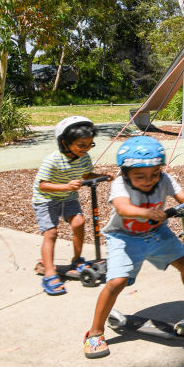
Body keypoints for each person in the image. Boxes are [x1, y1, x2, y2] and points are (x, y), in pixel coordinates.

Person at [83, 135, 184, 359]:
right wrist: (145, 212)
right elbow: (122, 208)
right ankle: (94, 333)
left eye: (154, 174)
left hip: (156, 232)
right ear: (125, 172)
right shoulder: (120, 184)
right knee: (117, 282)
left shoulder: (165, 179)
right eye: (139, 176)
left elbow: (183, 197)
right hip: (124, 237)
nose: (148, 180)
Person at [33, 116, 107, 295]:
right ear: (64, 142)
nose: (86, 149)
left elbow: (86, 175)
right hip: (46, 199)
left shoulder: (84, 158)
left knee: (79, 223)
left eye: (90, 144)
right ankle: (49, 272)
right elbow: (42, 184)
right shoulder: (52, 160)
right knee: (51, 233)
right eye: (81, 145)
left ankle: (77, 260)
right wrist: (65, 186)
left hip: (68, 197)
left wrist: (101, 175)